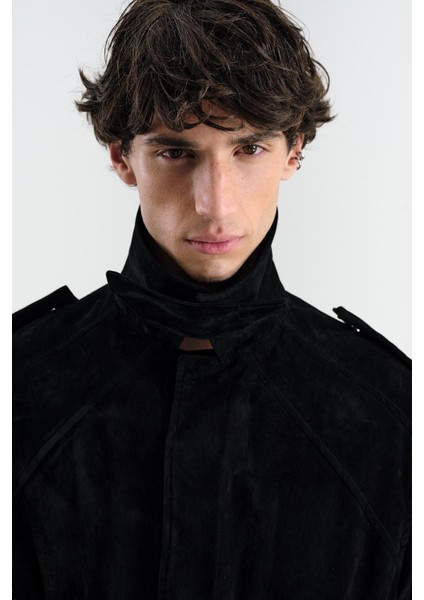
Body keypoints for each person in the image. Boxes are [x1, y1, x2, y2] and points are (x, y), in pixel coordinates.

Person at [12, 0, 411, 598]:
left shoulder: (390, 414)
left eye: (248, 149)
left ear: (294, 150)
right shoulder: (19, 389)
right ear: (122, 156)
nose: (214, 204)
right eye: (176, 152)